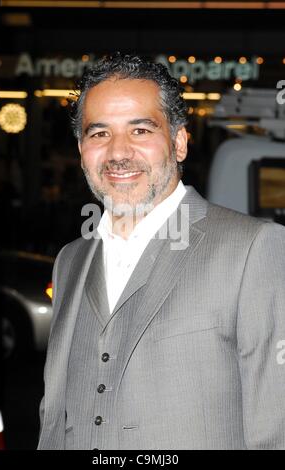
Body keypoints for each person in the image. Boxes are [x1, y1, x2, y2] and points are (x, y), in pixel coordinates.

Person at [38, 53, 285, 450]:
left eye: (140, 130)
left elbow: (276, 431)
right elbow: (55, 420)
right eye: (99, 133)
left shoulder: (253, 249)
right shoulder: (70, 261)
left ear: (179, 142)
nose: (118, 152)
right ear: (81, 148)